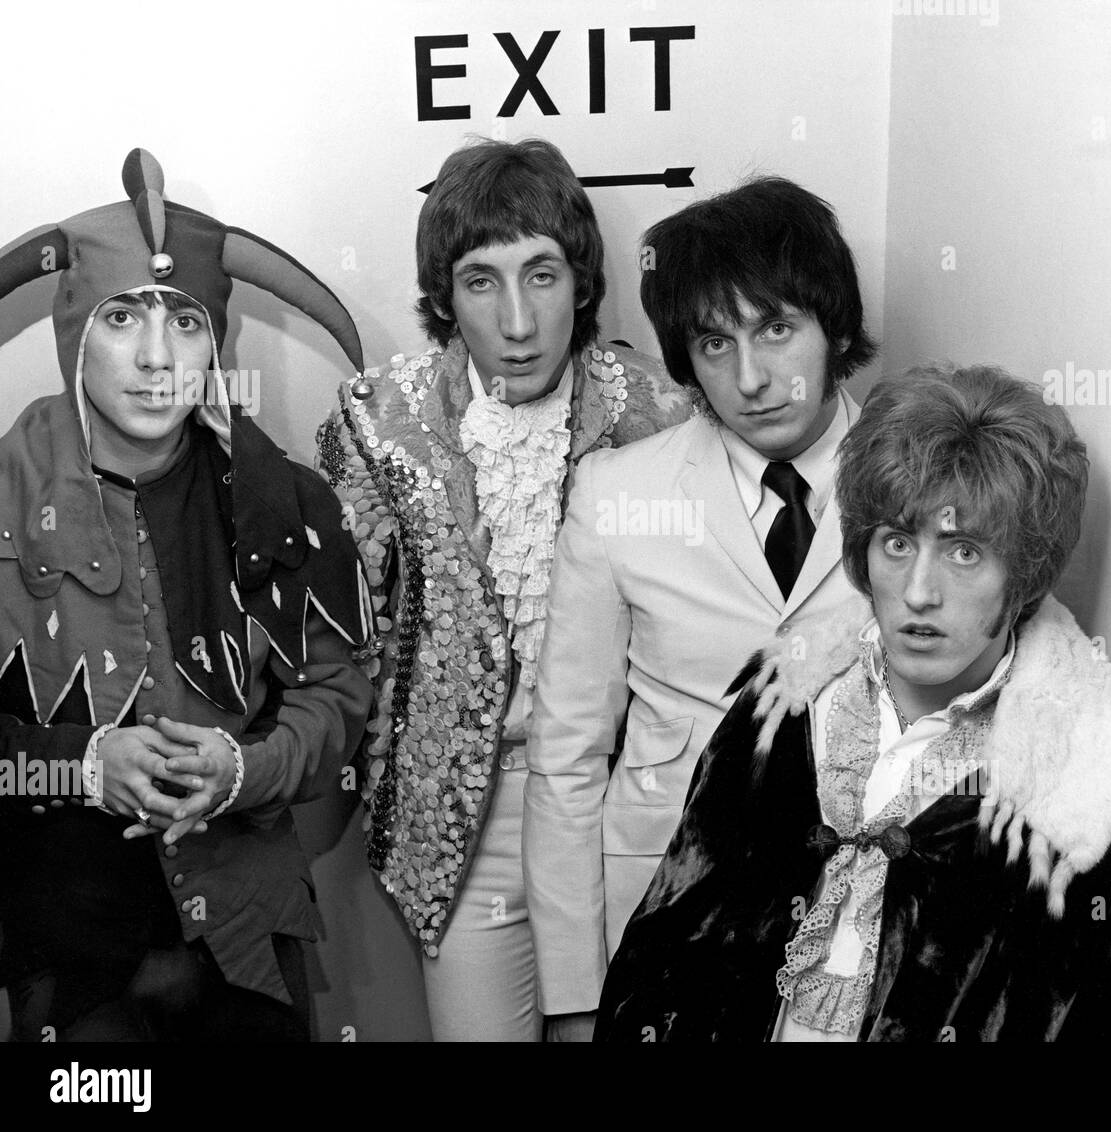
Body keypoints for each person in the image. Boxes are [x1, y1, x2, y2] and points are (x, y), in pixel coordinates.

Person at [595, 365, 1111, 1042]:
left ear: (1025, 572)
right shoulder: (789, 704)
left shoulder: (1074, 769)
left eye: (965, 552)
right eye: (896, 543)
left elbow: (1077, 1013)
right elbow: (671, 939)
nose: (919, 591)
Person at [317, 137, 691, 1041]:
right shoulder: (378, 417)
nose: (518, 322)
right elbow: (345, 628)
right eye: (482, 281)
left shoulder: (657, 412)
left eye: (544, 275)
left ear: (584, 283)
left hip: (620, 809)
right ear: (445, 297)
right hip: (462, 824)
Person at [0, 149, 373, 1041]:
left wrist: (246, 769)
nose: (158, 359)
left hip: (250, 938)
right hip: (71, 945)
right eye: (123, 317)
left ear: (218, 338)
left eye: (187, 322)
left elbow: (338, 705)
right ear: (74, 330)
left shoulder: (285, 497)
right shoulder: (5, 497)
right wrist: (80, 762)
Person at [523, 176, 877, 1039]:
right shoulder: (615, 496)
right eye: (715, 344)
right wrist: (574, 996)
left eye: (777, 329)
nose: (751, 378)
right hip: (663, 926)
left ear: (833, 325)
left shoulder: (920, 478)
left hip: (855, 939)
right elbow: (566, 756)